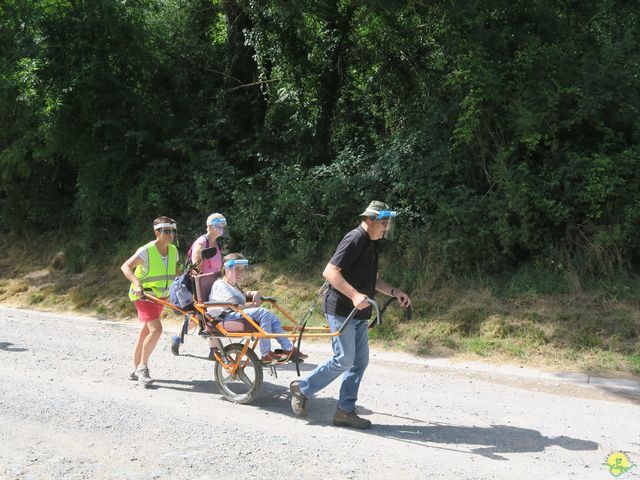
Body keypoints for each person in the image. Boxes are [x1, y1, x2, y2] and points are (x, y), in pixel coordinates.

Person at [289, 201, 412, 429]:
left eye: (387, 224)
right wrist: (355, 295)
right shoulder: (355, 238)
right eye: (383, 223)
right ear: (370, 220)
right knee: (344, 359)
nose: (385, 228)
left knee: (359, 362)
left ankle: (345, 411)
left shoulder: (373, 244)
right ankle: (302, 388)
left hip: (359, 312)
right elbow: (330, 272)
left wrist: (395, 293)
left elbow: (373, 280)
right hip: (341, 309)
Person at [208, 253, 307, 363]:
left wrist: (254, 293)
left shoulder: (233, 285)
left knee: (272, 318)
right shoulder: (220, 285)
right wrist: (253, 305)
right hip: (224, 318)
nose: (241, 272)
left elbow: (241, 296)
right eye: (237, 269)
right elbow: (235, 306)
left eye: (242, 269)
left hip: (233, 315)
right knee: (263, 312)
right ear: (226, 269)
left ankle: (289, 349)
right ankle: (266, 354)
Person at [121, 216, 180, 386]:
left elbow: (175, 272)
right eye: (167, 231)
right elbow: (125, 267)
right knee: (156, 330)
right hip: (144, 296)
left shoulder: (174, 250)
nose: (171, 234)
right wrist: (136, 282)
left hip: (160, 297)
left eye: (172, 231)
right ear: (157, 232)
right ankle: (142, 367)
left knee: (146, 331)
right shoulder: (146, 251)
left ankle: (134, 368)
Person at [171, 213, 226, 355]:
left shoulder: (216, 244)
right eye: (219, 224)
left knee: (212, 316)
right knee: (202, 317)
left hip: (214, 285)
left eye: (223, 224)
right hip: (202, 286)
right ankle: (178, 338)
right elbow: (195, 269)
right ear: (210, 226)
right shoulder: (202, 242)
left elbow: (219, 266)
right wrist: (201, 290)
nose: (222, 227)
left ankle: (213, 349)